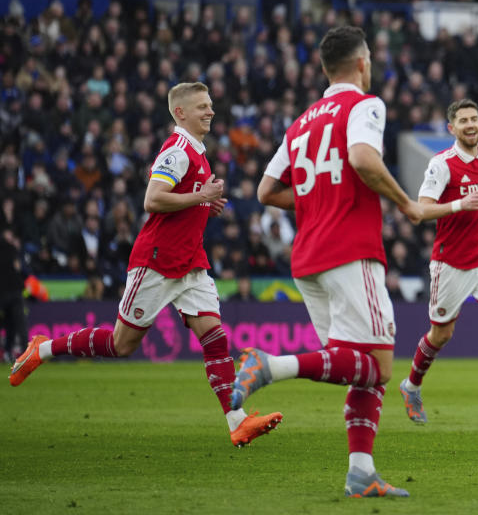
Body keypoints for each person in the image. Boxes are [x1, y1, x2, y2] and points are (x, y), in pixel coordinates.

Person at [9, 82, 283, 447]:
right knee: (121, 345)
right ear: (180, 112)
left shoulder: (199, 152)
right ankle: (41, 349)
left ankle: (237, 422)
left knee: (215, 337)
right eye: (202, 106)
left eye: (211, 105)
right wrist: (200, 195)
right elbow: (152, 200)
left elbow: (181, 199)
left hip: (190, 263)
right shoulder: (178, 150)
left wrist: (203, 204)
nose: (211, 111)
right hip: (157, 262)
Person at [230, 25, 424, 498]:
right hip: (350, 250)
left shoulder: (301, 122)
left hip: (309, 257)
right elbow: (361, 157)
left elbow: (265, 191)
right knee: (377, 366)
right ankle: (268, 366)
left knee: (356, 364)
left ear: (322, 69)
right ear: (362, 63)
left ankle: (361, 472)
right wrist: (405, 202)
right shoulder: (366, 104)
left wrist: (317, 196)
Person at [397, 98, 478, 425]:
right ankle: (411, 387)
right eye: (463, 120)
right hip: (451, 262)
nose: (471, 124)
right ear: (451, 128)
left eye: (474, 118)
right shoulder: (441, 165)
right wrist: (457, 205)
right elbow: (421, 210)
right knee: (441, 335)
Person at [0, 228, 26, 362]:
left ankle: (8, 352)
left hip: (3, 292)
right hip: (14, 291)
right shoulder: (12, 249)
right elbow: (18, 268)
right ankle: (25, 353)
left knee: (9, 324)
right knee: (19, 324)